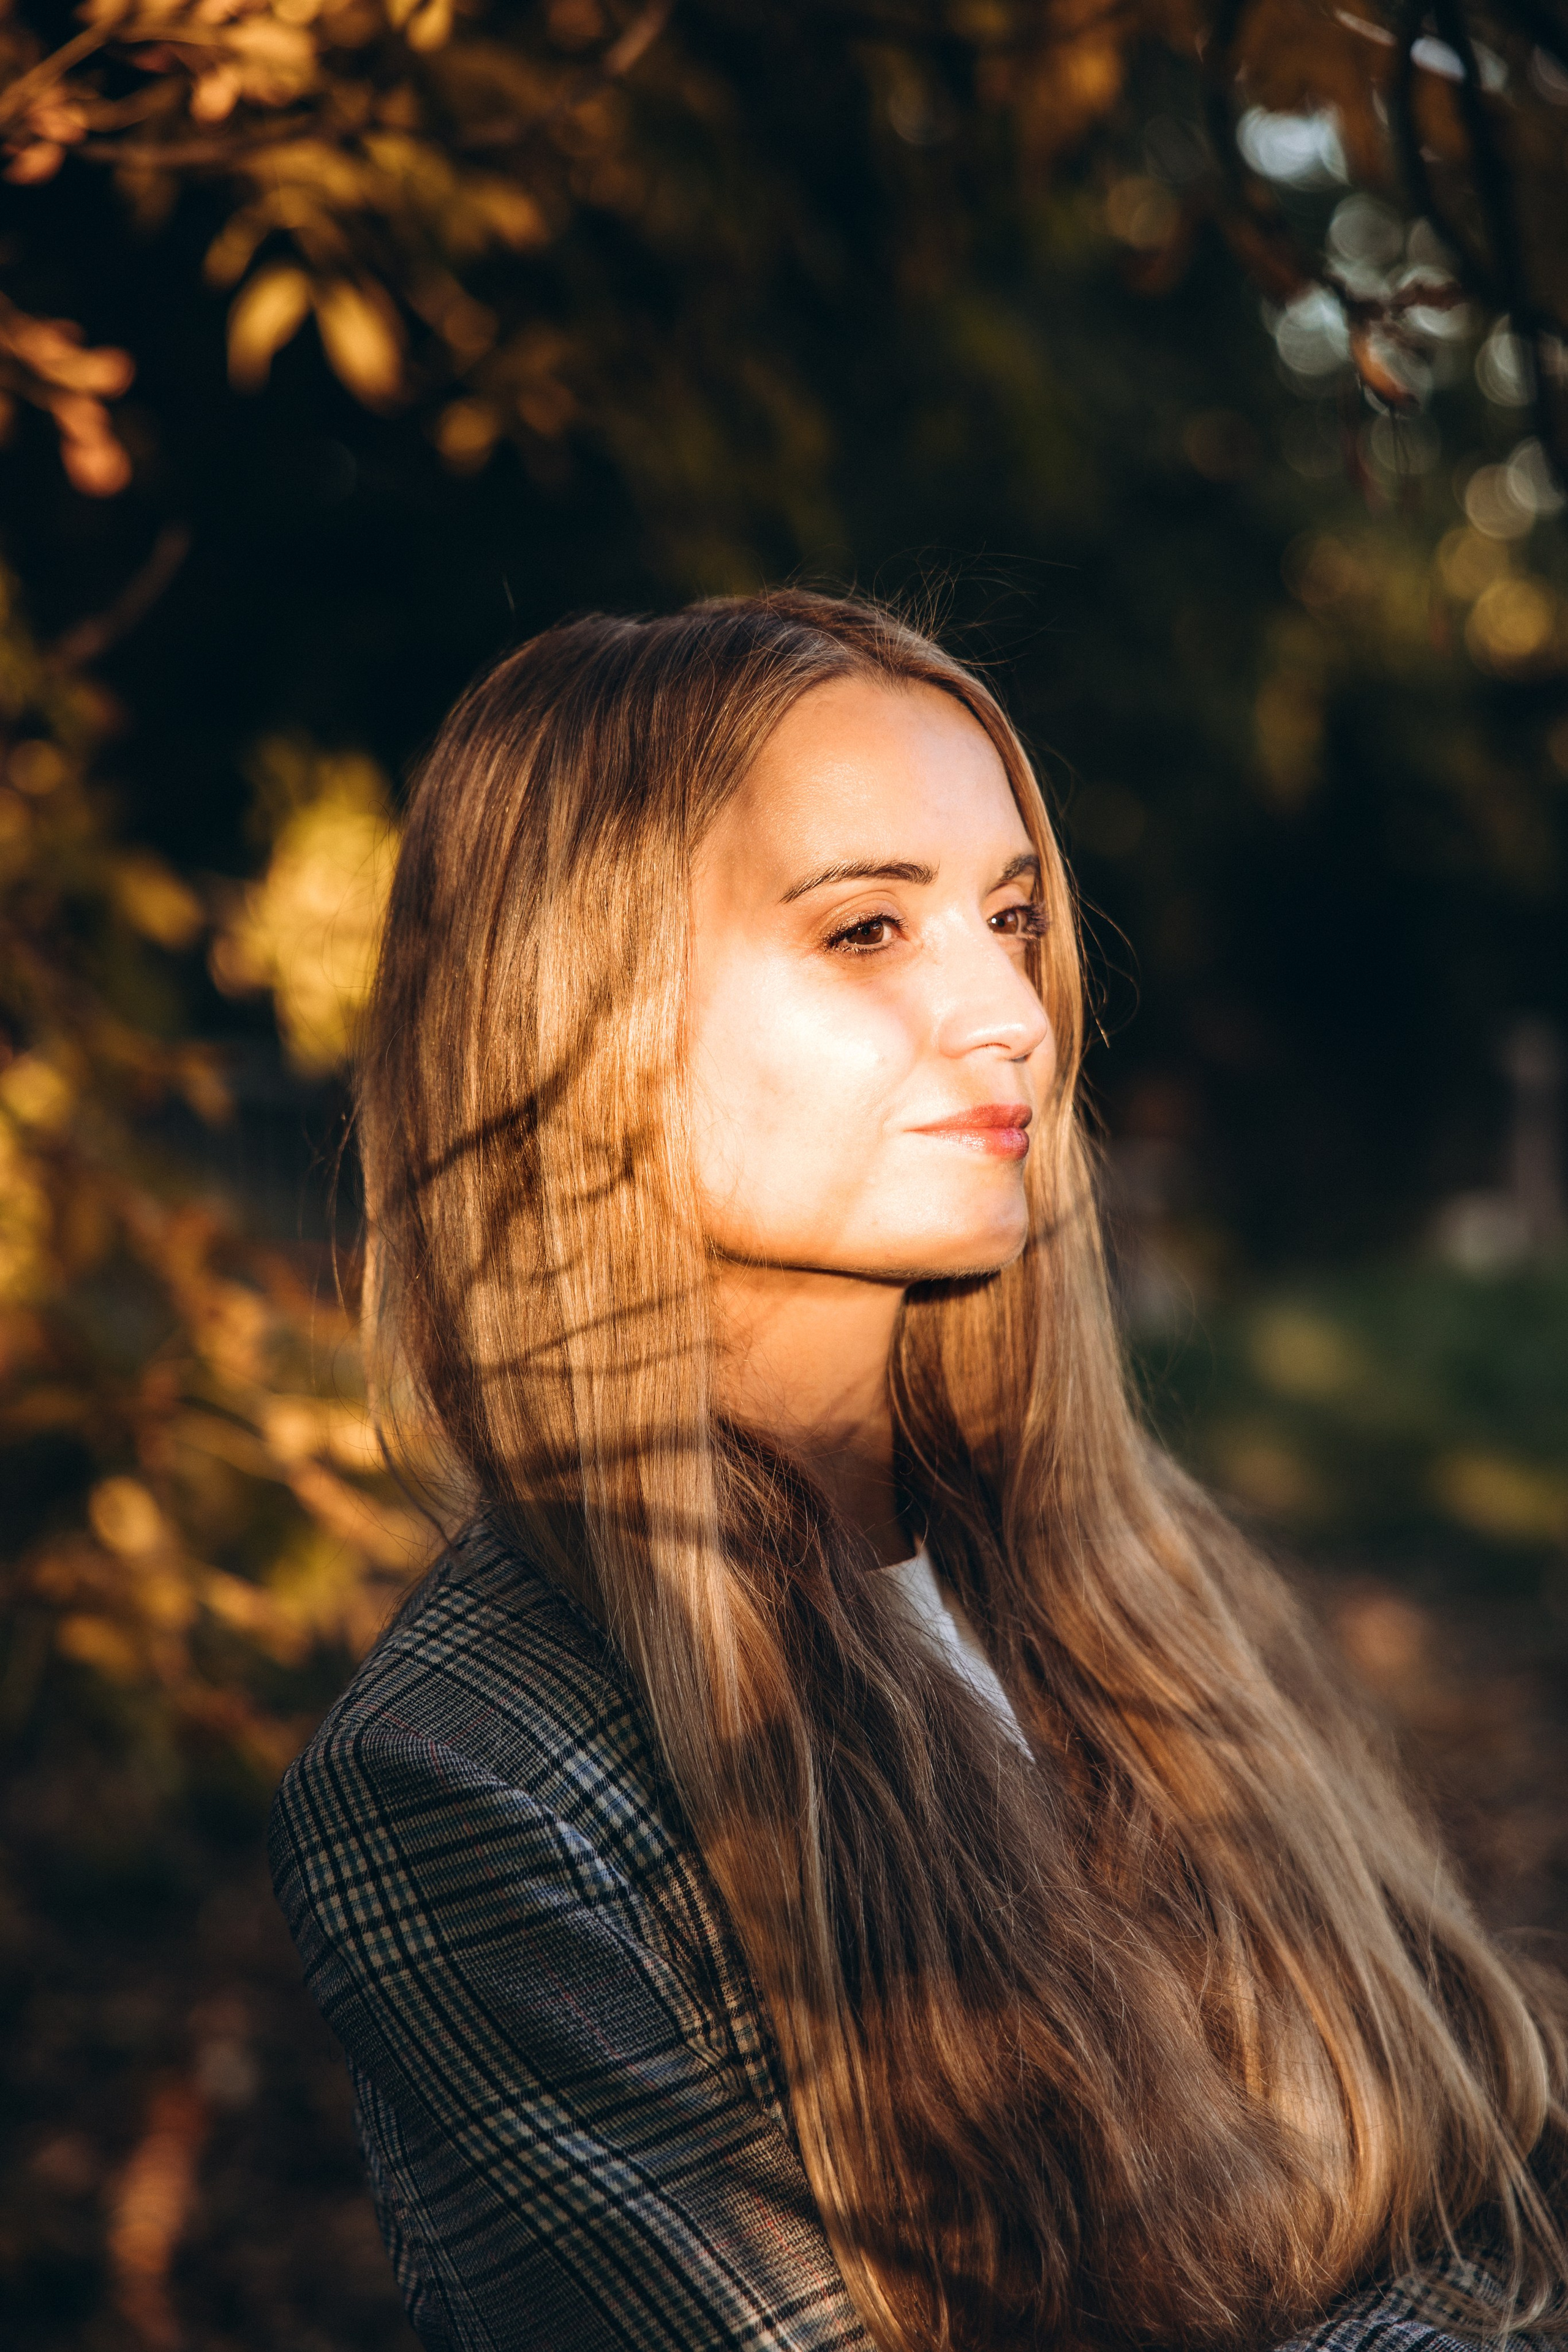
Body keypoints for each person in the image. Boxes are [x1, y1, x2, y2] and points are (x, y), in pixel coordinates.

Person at [270, 590, 1567, 2352]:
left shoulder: (1131, 1578)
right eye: (871, 929)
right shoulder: (463, 1788)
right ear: (581, 1019)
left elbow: (1456, 2177)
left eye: (1011, 919)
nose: (1011, 1017)